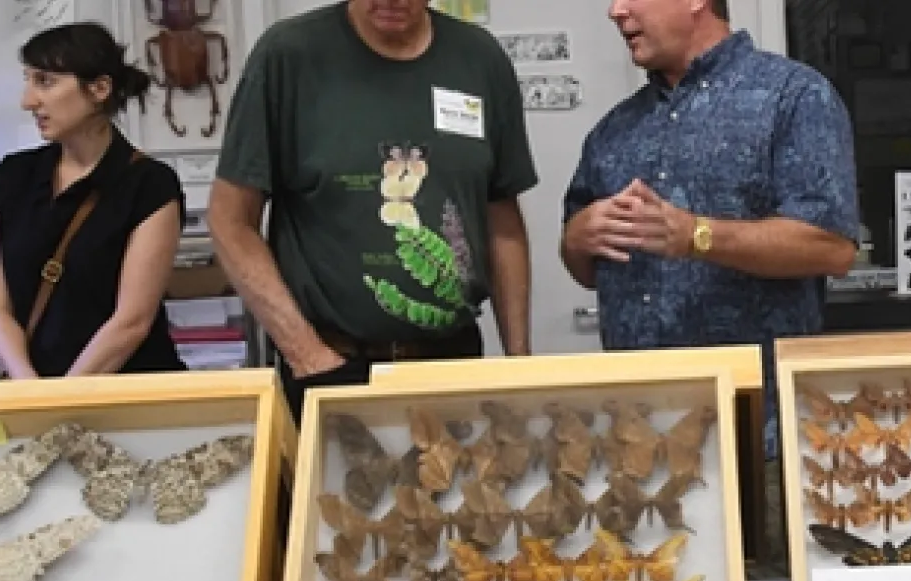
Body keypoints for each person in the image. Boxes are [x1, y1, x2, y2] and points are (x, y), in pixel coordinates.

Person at [211, 0, 538, 416]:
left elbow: (502, 223)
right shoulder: (288, 56)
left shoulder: (479, 59)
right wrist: (307, 355)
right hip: (330, 366)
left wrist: (519, 364)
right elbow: (230, 221)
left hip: (452, 363)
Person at [560, 0, 859, 353]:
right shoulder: (613, 131)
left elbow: (832, 248)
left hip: (754, 384)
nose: (615, 11)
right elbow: (588, 272)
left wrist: (696, 236)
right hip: (638, 386)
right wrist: (575, 242)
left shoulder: (794, 98)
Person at [0, 22, 187, 379]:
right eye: (28, 80)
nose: (28, 101)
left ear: (99, 89)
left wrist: (63, 398)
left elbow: (131, 322)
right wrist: (29, 391)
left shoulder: (149, 185)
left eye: (45, 81)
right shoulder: (13, 177)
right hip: (32, 392)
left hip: (127, 391)